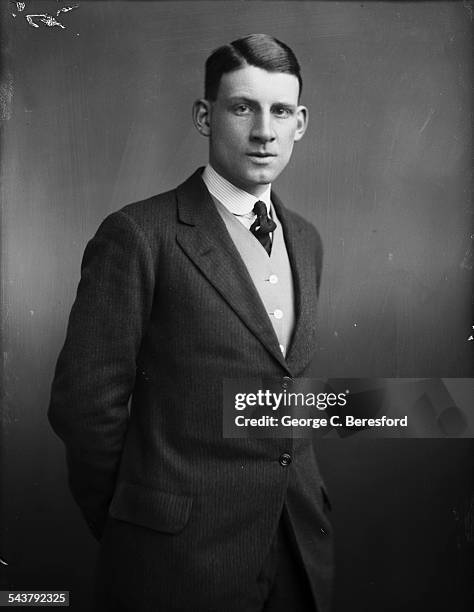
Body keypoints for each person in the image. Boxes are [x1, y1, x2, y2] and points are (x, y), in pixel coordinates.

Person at [48, 33, 334, 612]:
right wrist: (139, 522)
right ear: (205, 116)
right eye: (241, 107)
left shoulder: (306, 239)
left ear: (300, 123)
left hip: (298, 549)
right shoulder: (138, 234)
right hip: (177, 562)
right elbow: (84, 405)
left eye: (280, 111)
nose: (263, 131)